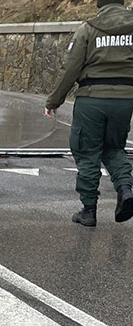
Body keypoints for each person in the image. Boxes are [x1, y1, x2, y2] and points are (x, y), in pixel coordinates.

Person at [45, 0, 133, 227]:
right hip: (124, 99)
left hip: (92, 98)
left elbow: (71, 67)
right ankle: (125, 189)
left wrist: (54, 101)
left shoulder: (89, 28)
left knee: (87, 150)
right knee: (114, 147)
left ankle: (89, 210)